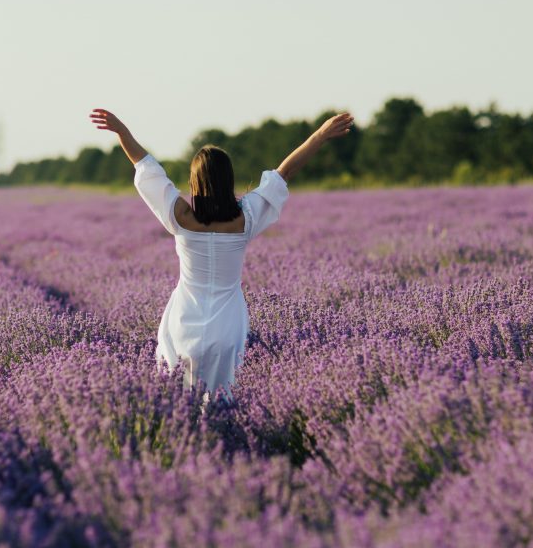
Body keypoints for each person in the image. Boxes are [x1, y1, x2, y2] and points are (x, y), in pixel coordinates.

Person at [88, 107, 354, 405]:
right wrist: (320, 135)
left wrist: (122, 132)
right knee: (224, 401)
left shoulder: (181, 218)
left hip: (183, 322)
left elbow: (147, 168)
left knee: (178, 401)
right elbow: (285, 172)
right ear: (229, 179)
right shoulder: (246, 219)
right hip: (228, 324)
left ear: (194, 182)